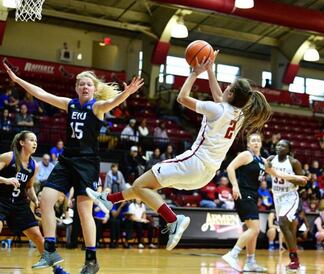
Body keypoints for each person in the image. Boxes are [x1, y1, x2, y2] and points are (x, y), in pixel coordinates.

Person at [86, 54, 272, 252]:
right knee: (144, 188)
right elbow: (220, 97)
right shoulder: (239, 115)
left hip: (193, 163)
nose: (225, 87)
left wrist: (194, 74)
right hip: (206, 175)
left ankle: (173, 219)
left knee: (140, 185)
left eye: (229, 87)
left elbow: (182, 98)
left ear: (232, 95)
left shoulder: (217, 109)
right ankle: (109, 200)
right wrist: (210, 70)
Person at [4, 63, 144, 273]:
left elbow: (113, 102)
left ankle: (91, 260)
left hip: (87, 163)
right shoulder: (70, 104)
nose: (85, 87)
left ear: (94, 89)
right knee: (45, 199)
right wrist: (17, 81)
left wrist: (127, 93)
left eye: (88, 84)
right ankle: (49, 250)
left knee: (84, 210)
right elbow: (42, 94)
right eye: (81, 84)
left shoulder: (97, 107)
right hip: (67, 159)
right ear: (77, 88)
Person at [222, 133, 307, 272]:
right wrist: (234, 185)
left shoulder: (263, 161)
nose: (255, 143)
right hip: (244, 193)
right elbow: (230, 167)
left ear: (261, 144)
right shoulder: (246, 155)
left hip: (253, 195)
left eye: (258, 141)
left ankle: (250, 262)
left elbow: (278, 174)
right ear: (249, 144)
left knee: (253, 231)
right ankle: (232, 254)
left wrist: (297, 177)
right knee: (254, 229)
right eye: (253, 141)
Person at [0, 131, 68, 274]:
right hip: (1, 200)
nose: (35, 143)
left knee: (37, 236)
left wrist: (36, 201)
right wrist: (6, 180)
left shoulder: (34, 165)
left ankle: (57, 268)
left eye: (36, 140)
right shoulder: (8, 157)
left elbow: (29, 187)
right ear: (22, 142)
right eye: (31, 140)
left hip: (19, 204)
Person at [270, 139, 307, 271]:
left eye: (283, 146)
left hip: (290, 197)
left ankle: (294, 258)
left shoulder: (294, 163)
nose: (279, 147)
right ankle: (294, 258)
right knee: (289, 228)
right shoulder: (271, 159)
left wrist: (285, 176)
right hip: (277, 197)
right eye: (278, 144)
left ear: (288, 150)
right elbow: (264, 170)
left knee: (282, 223)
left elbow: (302, 182)